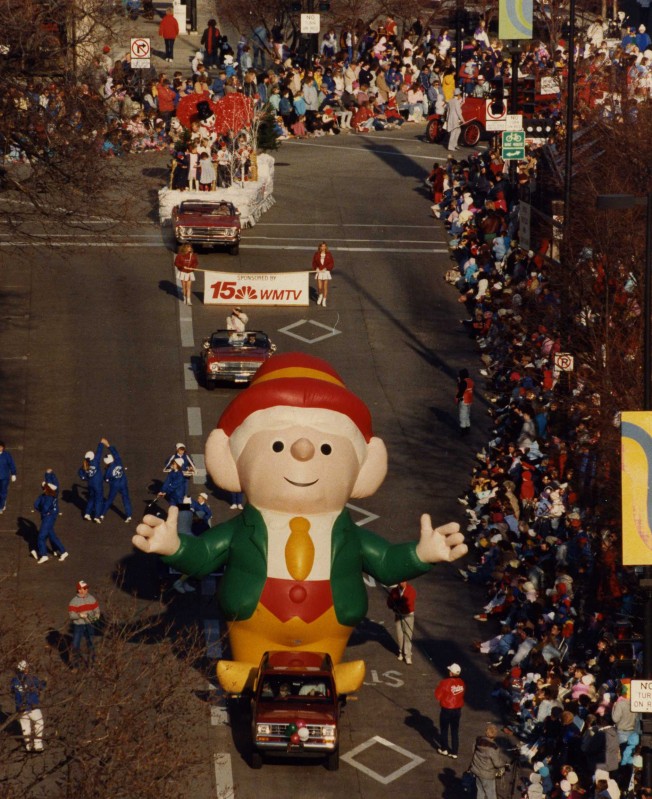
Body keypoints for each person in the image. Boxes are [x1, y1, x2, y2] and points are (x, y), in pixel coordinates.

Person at [132, 352, 467, 696]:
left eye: (326, 448)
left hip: (330, 620)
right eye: (277, 445)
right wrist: (175, 547)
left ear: (363, 471)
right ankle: (250, 666)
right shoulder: (245, 527)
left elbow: (384, 563)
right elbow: (203, 556)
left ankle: (329, 670)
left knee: (324, 654)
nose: (304, 451)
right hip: (254, 617)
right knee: (250, 653)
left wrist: (421, 555)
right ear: (231, 462)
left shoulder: (345, 531)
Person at [469, 723, 510, 799]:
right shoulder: (493, 748)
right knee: (491, 795)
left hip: (477, 770)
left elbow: (473, 752)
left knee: (480, 792)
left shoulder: (478, 741)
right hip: (487, 774)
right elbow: (497, 763)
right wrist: (504, 763)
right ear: (495, 734)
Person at [11, 661, 45, 752]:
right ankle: (38, 745)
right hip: (32, 706)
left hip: (20, 708)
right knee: (39, 722)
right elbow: (41, 686)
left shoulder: (14, 680)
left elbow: (12, 691)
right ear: (25, 669)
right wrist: (45, 682)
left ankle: (28, 746)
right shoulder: (32, 679)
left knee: (25, 726)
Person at [31, 481, 68, 564]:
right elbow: (37, 504)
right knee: (52, 536)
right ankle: (63, 551)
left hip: (47, 518)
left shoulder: (46, 497)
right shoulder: (54, 494)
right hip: (51, 517)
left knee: (41, 537)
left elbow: (39, 506)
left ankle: (44, 555)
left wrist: (42, 511)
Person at [434, 663, 466, 758]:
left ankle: (444, 749)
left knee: (444, 729)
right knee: (455, 730)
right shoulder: (462, 682)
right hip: (457, 710)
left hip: (447, 709)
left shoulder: (445, 682)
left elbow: (437, 695)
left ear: (451, 673)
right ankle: (454, 752)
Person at [68, 580, 100, 667]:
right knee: (75, 644)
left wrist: (95, 618)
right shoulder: (74, 601)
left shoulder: (92, 599)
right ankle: (75, 665)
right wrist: (79, 615)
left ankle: (92, 663)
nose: (85, 590)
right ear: (79, 590)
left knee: (91, 643)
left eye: (86, 588)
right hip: (79, 625)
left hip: (89, 624)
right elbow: (71, 615)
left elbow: (97, 611)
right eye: (83, 589)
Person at [101, 442, 132, 523]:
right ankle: (128, 515)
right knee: (126, 499)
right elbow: (115, 453)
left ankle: (102, 514)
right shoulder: (118, 461)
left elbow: (106, 479)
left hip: (114, 486)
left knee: (109, 500)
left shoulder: (108, 471)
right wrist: (109, 446)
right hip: (123, 483)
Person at [387, 581, 417, 664]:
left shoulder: (411, 590)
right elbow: (389, 602)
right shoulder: (394, 591)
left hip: (408, 615)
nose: (402, 584)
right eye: (400, 582)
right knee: (400, 635)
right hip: (398, 615)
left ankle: (408, 656)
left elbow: (408, 603)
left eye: (403, 582)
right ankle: (401, 652)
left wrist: (397, 606)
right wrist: (393, 606)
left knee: (408, 635)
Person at [78, 439, 106, 523]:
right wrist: (101, 443)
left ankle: (87, 513)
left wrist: (84, 478)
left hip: (90, 484)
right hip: (97, 484)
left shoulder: (85, 464)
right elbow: (99, 452)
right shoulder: (96, 461)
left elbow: (80, 472)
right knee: (98, 500)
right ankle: (96, 516)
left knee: (91, 499)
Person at [312, 241, 334, 307]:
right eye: (322, 246)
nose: (323, 247)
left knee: (325, 287)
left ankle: (324, 300)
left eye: (324, 246)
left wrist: (326, 268)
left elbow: (332, 263)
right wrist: (316, 268)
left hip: (326, 272)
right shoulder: (316, 254)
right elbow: (314, 262)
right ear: (320, 247)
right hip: (319, 271)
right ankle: (320, 296)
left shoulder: (329, 254)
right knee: (319, 287)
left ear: (326, 247)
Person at [455, 368, 474, 434]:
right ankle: (467, 427)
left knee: (462, 415)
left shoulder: (463, 382)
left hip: (464, 400)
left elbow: (461, 390)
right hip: (469, 400)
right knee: (467, 414)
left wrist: (457, 397)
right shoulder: (470, 381)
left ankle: (463, 429)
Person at [0, 440, 17, 513]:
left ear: (3, 447)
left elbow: (11, 464)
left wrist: (13, 474)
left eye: (1, 447)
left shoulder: (7, 455)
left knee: (3, 492)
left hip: (4, 478)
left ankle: (1, 506)